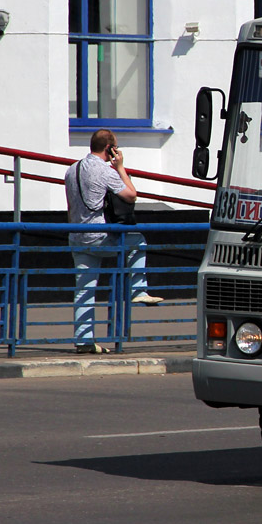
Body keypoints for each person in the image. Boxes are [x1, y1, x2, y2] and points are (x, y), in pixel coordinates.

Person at [65, 130, 161, 355]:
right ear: (109, 148)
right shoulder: (105, 171)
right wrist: (120, 167)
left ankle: (84, 341)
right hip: (100, 237)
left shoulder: (71, 170)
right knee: (137, 240)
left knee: (84, 290)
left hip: (76, 236)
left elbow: (70, 206)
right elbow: (131, 195)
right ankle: (138, 289)